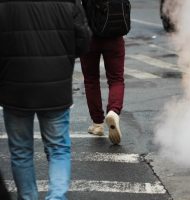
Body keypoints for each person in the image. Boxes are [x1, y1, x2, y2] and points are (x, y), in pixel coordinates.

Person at [0, 0, 91, 199]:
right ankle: (57, 197)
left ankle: (28, 197)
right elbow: (83, 40)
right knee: (58, 147)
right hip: (55, 85)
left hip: (14, 87)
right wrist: (62, 57)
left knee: (21, 151)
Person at [81, 0, 126, 145]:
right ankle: (113, 111)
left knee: (91, 79)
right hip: (115, 34)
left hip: (90, 35)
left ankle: (97, 123)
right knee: (116, 79)